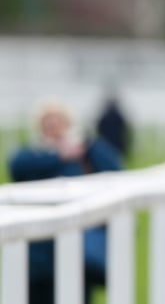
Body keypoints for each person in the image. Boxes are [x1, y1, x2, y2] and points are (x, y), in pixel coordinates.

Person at [8, 98, 123, 304]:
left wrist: (86, 146)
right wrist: (58, 155)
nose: (53, 128)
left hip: (77, 251)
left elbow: (116, 169)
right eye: (48, 123)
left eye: (58, 122)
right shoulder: (33, 154)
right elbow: (16, 167)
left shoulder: (87, 152)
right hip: (39, 257)